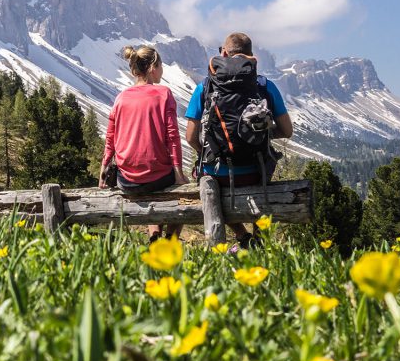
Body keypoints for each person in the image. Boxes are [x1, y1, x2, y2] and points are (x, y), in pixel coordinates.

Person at [184, 32, 293, 248]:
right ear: (252, 58)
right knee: (267, 166)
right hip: (255, 171)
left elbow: (190, 136)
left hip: (216, 173)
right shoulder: (265, 86)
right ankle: (259, 242)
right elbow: (287, 131)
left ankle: (241, 236)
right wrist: (258, 135)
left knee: (205, 178)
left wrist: (206, 152)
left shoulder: (205, 86)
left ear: (223, 53)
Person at [101, 45, 187, 241]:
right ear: (152, 68)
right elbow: (172, 136)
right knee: (184, 193)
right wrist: (179, 173)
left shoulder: (121, 97)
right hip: (158, 177)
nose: (162, 70)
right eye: (161, 65)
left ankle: (154, 235)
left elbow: (110, 137)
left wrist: (105, 168)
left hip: (126, 180)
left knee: (149, 187)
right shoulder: (163, 93)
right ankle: (169, 242)